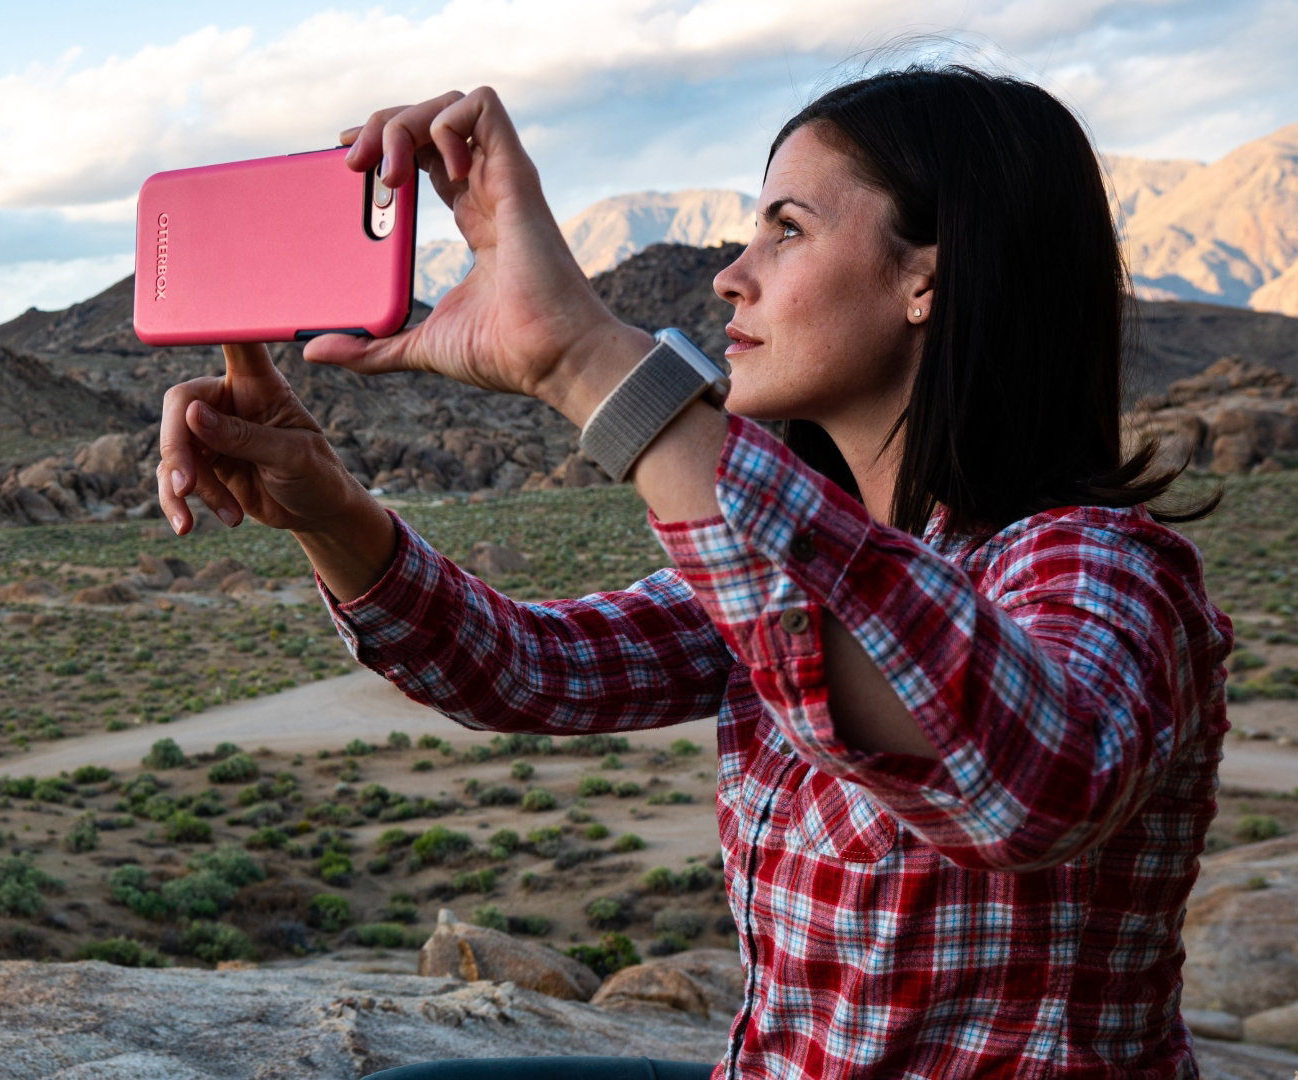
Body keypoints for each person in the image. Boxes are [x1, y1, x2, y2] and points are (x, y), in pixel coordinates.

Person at [158, 66, 1232, 1080]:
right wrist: (327, 510)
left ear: (926, 279)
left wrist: (584, 359)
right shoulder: (792, 559)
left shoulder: (1099, 567)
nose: (731, 273)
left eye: (788, 229)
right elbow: (532, 670)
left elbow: (1030, 793)